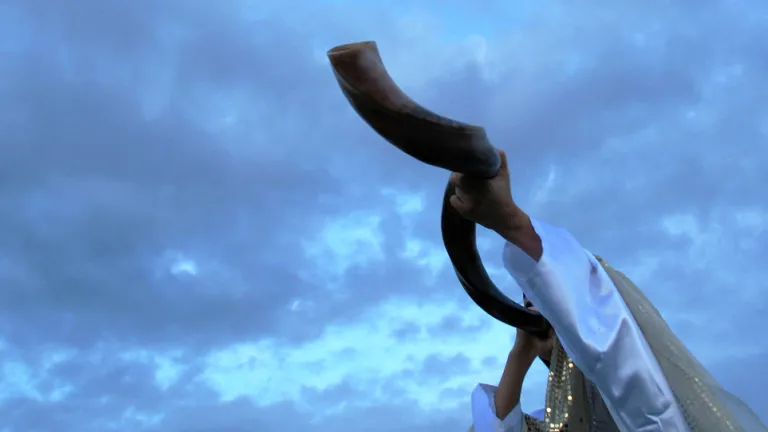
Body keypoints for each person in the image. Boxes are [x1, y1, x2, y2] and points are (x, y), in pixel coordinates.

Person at [452, 150, 764, 431]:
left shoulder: (631, 403)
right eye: (531, 305)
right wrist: (521, 353)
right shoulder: (552, 421)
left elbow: (635, 385)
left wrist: (513, 224)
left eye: (551, 302)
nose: (542, 313)